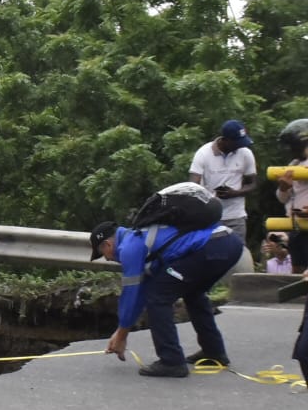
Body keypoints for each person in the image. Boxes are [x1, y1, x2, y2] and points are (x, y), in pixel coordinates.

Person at [90, 218, 244, 377]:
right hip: (229, 243)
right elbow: (142, 289)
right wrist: (122, 330)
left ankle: (172, 361)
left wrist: (122, 335)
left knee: (157, 297)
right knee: (193, 293)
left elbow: (132, 294)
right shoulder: (141, 238)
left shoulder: (129, 248)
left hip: (211, 247)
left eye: (103, 254)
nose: (107, 259)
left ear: (108, 244)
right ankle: (214, 352)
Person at [188, 119, 258, 243]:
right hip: (210, 217)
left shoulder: (245, 153)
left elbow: (252, 184)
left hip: (236, 216)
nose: (240, 146)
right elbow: (193, 185)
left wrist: (235, 193)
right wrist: (209, 199)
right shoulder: (204, 153)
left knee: (238, 255)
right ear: (225, 140)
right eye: (236, 142)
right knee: (210, 254)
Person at [274, 119, 308, 273]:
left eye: (293, 146)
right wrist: (283, 188)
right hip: (296, 228)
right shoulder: (294, 164)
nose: (290, 150)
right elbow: (283, 199)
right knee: (298, 274)